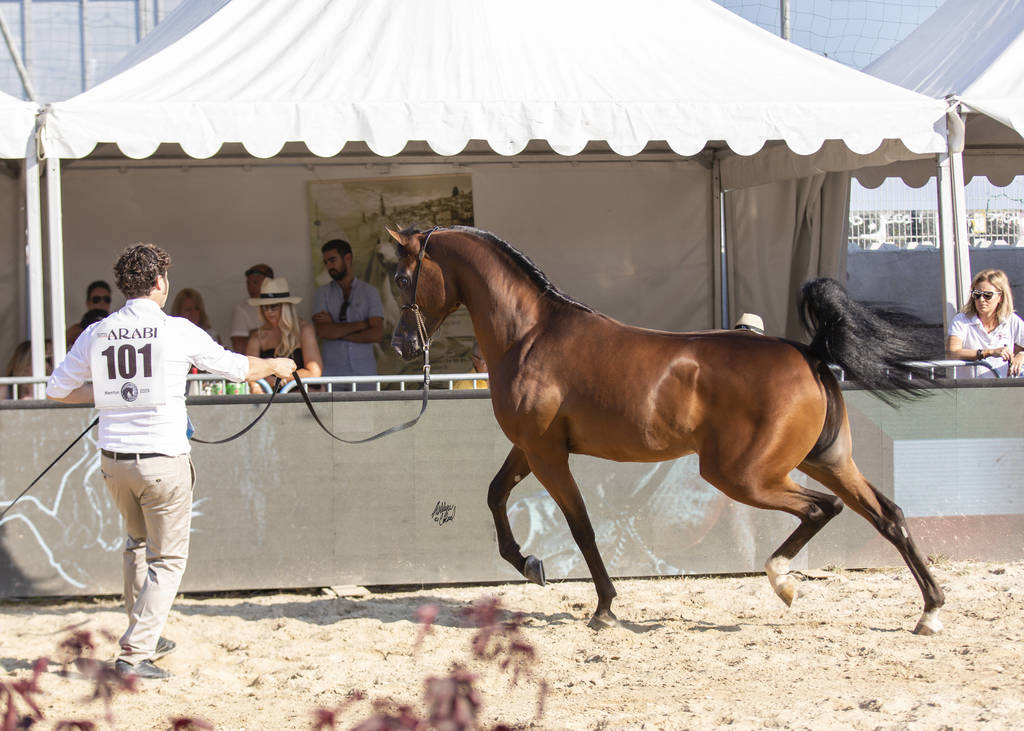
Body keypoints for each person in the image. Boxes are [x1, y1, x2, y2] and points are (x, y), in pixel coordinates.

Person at [45, 243, 295, 680]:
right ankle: (136, 653)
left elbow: (56, 389)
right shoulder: (176, 329)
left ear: (125, 285)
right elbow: (235, 368)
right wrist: (276, 364)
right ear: (160, 282)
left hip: (114, 459)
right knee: (168, 559)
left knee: (137, 544)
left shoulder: (97, 331)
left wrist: (107, 396)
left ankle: (145, 632)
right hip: (162, 459)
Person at [312, 239, 383, 389]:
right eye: (326, 262)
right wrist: (362, 325)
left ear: (348, 258)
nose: (329, 266)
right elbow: (323, 331)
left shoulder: (370, 292)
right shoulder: (322, 293)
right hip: (332, 376)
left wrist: (336, 330)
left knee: (367, 413)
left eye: (332, 260)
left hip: (365, 375)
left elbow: (376, 333)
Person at [246, 277, 323, 392]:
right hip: (271, 401)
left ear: (285, 306)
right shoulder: (257, 336)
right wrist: (255, 386)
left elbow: (314, 371)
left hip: (304, 397)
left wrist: (281, 380)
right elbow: (248, 368)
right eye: (264, 306)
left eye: (273, 306)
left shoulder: (304, 330)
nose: (268, 311)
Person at [947, 269, 1024, 378]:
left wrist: (1020, 356)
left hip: (1002, 390)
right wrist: (989, 352)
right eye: (977, 294)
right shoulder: (961, 320)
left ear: (1000, 297)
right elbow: (952, 353)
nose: (981, 299)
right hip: (969, 389)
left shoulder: (1011, 320)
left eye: (988, 295)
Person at [229, 263, 274, 354]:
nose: (251, 287)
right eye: (248, 283)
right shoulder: (241, 309)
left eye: (255, 282)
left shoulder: (282, 305)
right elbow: (239, 345)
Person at [66, 280, 113, 346]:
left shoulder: (114, 327)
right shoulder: (76, 330)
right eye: (96, 299)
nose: (102, 303)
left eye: (106, 299)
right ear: (88, 302)